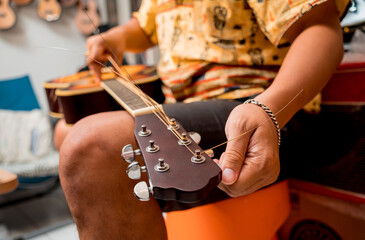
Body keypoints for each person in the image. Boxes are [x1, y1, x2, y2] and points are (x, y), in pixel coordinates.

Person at [58, 0, 349, 239]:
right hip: (183, 104)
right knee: (65, 130)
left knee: (92, 146)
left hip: (261, 108)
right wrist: (118, 37)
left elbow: (321, 26)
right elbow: (149, 26)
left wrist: (269, 109)